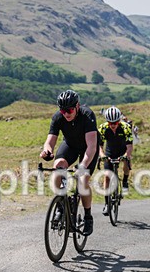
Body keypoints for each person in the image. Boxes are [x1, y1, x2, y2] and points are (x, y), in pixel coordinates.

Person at [40, 89, 99, 236]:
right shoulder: (58, 117)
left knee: (82, 180)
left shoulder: (87, 115)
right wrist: (47, 151)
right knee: (57, 167)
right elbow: (50, 141)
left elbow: (91, 146)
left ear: (77, 106)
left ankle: (87, 216)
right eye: (63, 110)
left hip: (88, 148)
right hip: (71, 146)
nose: (66, 114)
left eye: (70, 110)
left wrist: (83, 165)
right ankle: (61, 204)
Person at [97, 106, 133, 215]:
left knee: (127, 162)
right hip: (109, 152)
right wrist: (102, 155)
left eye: (115, 123)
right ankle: (107, 204)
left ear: (119, 121)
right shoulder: (103, 128)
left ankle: (125, 180)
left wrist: (126, 155)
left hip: (123, 150)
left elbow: (130, 146)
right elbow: (99, 145)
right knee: (107, 176)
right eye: (110, 123)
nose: (113, 125)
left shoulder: (126, 127)